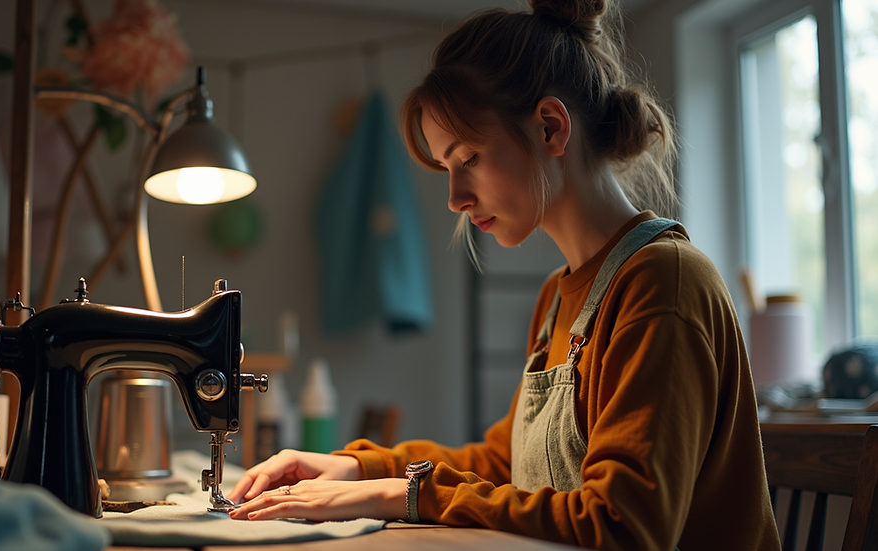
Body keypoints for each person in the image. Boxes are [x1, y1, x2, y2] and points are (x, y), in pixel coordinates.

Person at [227, 1, 781, 549]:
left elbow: (621, 525)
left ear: (549, 128)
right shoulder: (557, 298)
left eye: (467, 158)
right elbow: (503, 463)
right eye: (447, 169)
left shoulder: (663, 283)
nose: (455, 199)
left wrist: (403, 494)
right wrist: (356, 468)